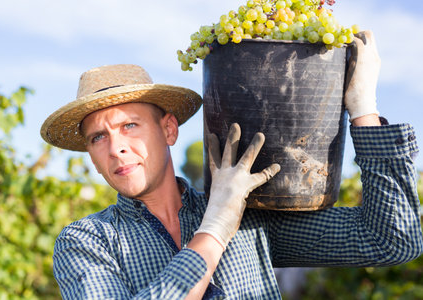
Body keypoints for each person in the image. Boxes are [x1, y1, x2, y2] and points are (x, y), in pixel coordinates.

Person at [41, 31, 422, 299]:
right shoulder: (88, 241)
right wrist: (215, 228)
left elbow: (392, 239)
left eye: (129, 126)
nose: (116, 148)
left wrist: (363, 110)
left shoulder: (251, 214)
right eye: (98, 137)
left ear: (169, 129)